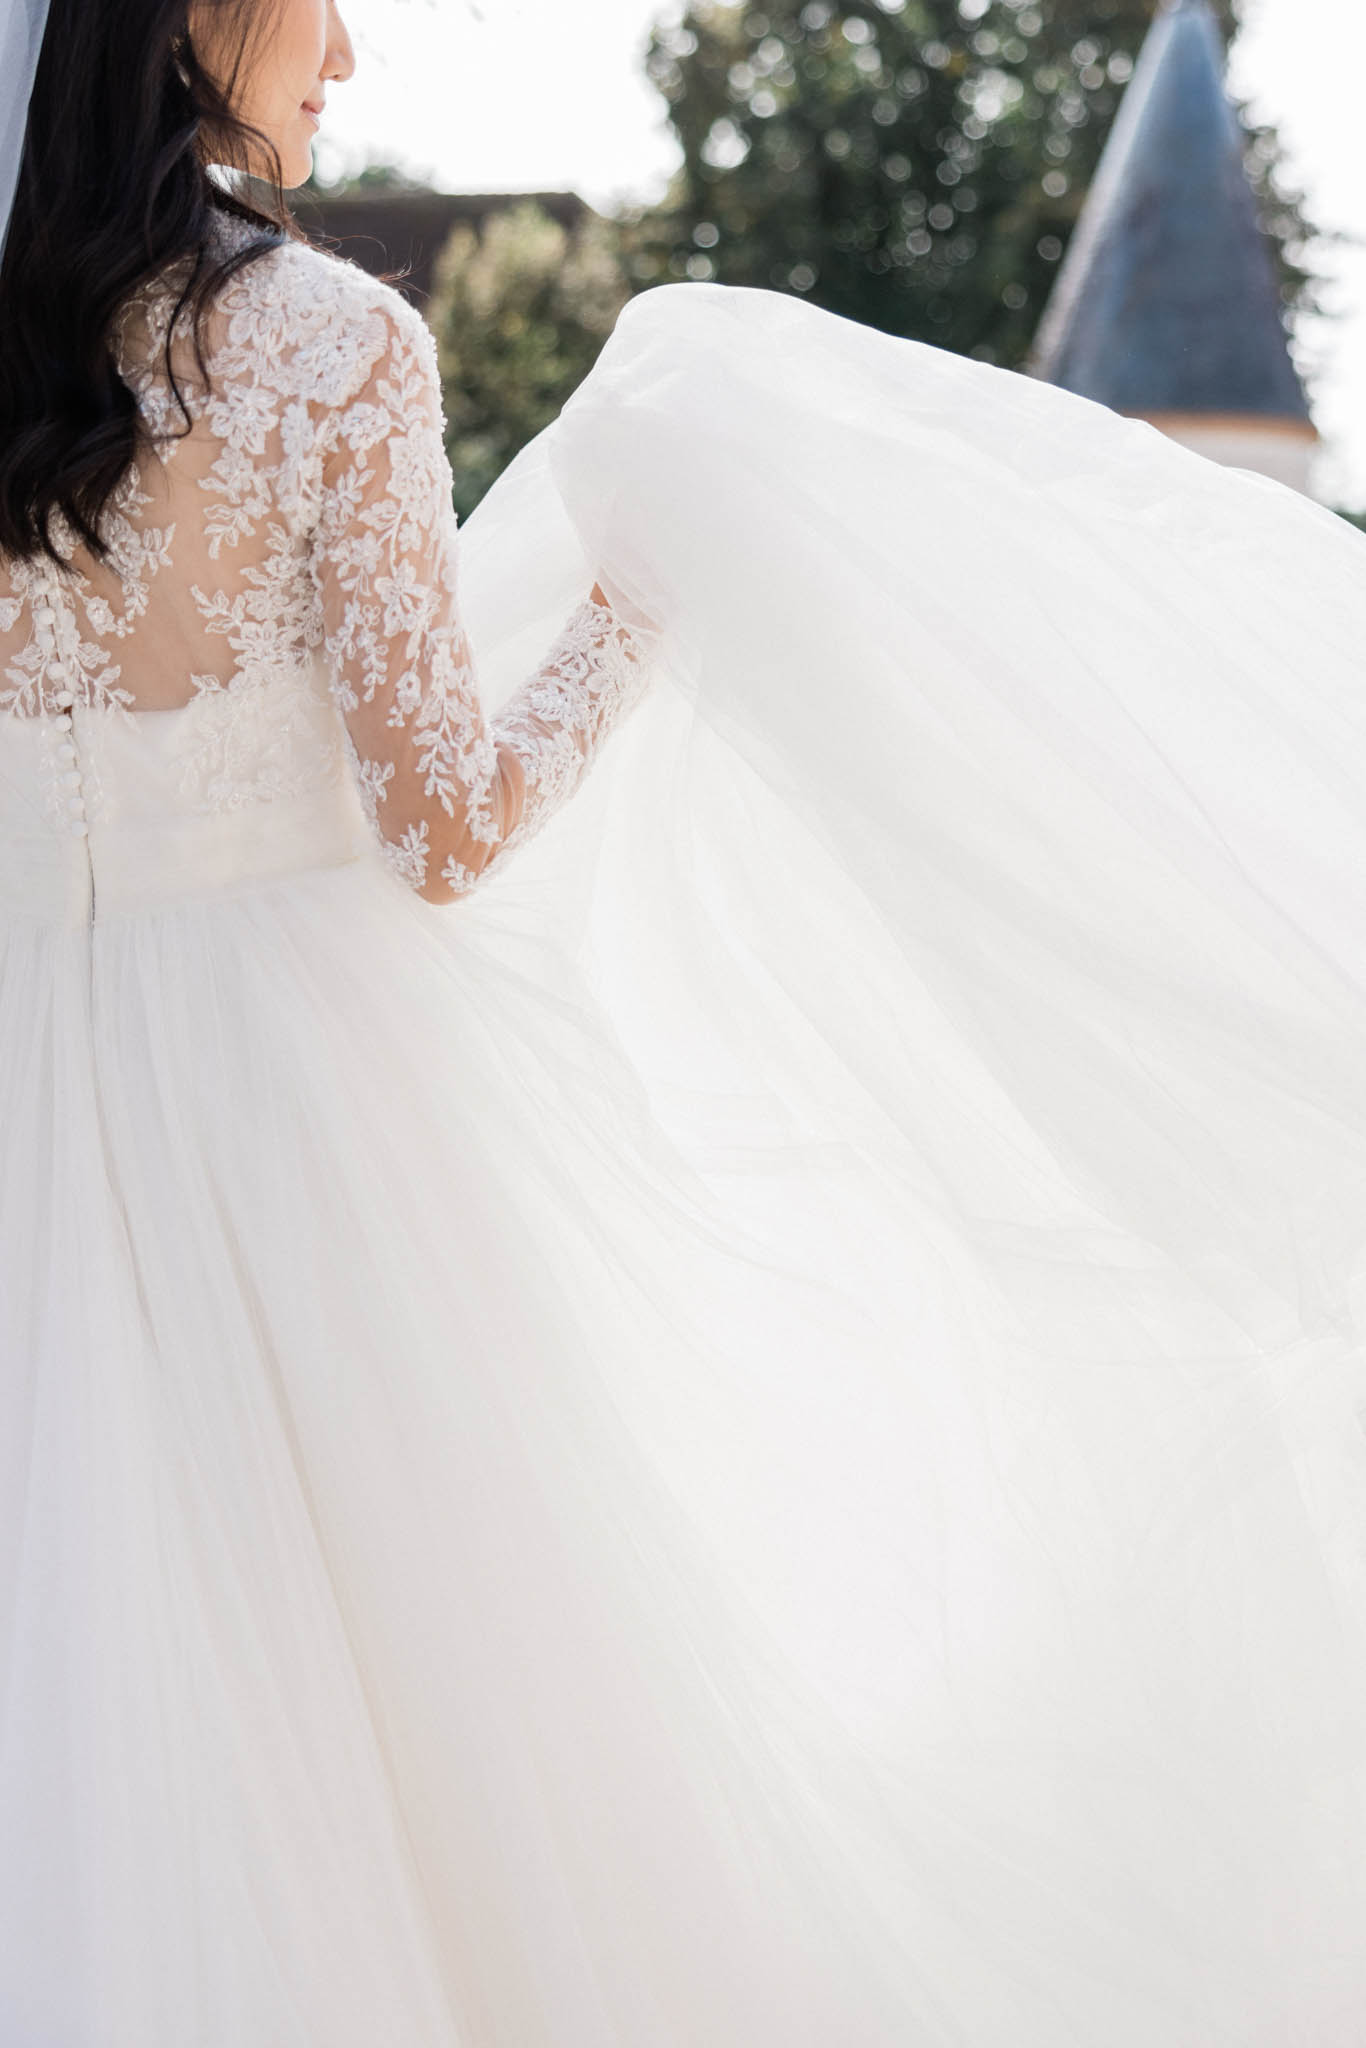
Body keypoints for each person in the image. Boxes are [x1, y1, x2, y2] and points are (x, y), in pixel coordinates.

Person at [2, 2, 1365, 2042]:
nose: (348, 55)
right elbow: (443, 825)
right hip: (297, 1128)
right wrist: (637, 610)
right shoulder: (325, 347)